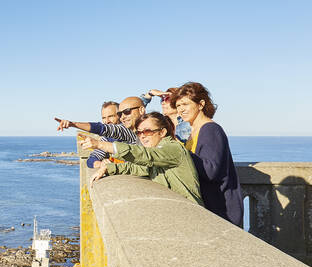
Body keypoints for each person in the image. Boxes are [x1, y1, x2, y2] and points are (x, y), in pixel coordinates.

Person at [88, 112, 203, 206]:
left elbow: (145, 155)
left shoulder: (172, 149)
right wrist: (109, 168)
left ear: (162, 132)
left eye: (147, 131)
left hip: (191, 212)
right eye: (139, 133)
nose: (142, 136)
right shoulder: (157, 150)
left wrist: (101, 145)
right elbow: (137, 168)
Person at [171, 82, 243, 227]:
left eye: (185, 104)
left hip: (221, 209)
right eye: (178, 106)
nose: (181, 110)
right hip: (210, 206)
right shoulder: (193, 131)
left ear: (201, 104)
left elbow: (210, 170)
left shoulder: (210, 129)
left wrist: (179, 151)